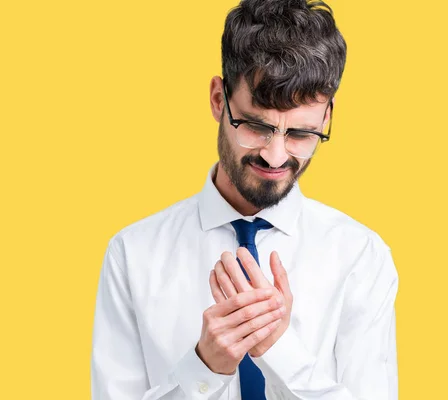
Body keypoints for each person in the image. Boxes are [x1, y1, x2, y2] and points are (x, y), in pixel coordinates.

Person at [90, 0, 398, 399]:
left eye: (301, 135)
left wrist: (278, 350)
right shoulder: (132, 255)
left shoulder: (361, 257)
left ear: (327, 118)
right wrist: (205, 368)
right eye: (255, 126)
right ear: (219, 99)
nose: (275, 155)